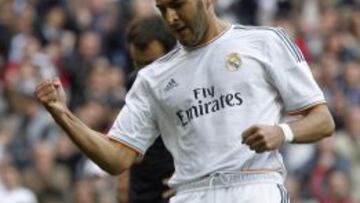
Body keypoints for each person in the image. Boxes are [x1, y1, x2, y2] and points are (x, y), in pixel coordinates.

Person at [34, 0, 335, 202]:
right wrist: (62, 114)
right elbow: (116, 159)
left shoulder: (265, 42)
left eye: (178, 4)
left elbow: (322, 120)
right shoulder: (153, 77)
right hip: (190, 193)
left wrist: (281, 132)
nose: (171, 18)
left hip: (253, 186)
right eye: (162, 8)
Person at [125, 15, 176, 203]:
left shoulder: (192, 83)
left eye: (151, 64)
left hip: (177, 182)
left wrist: (194, 179)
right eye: (138, 64)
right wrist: (123, 179)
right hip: (142, 185)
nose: (145, 74)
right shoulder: (134, 82)